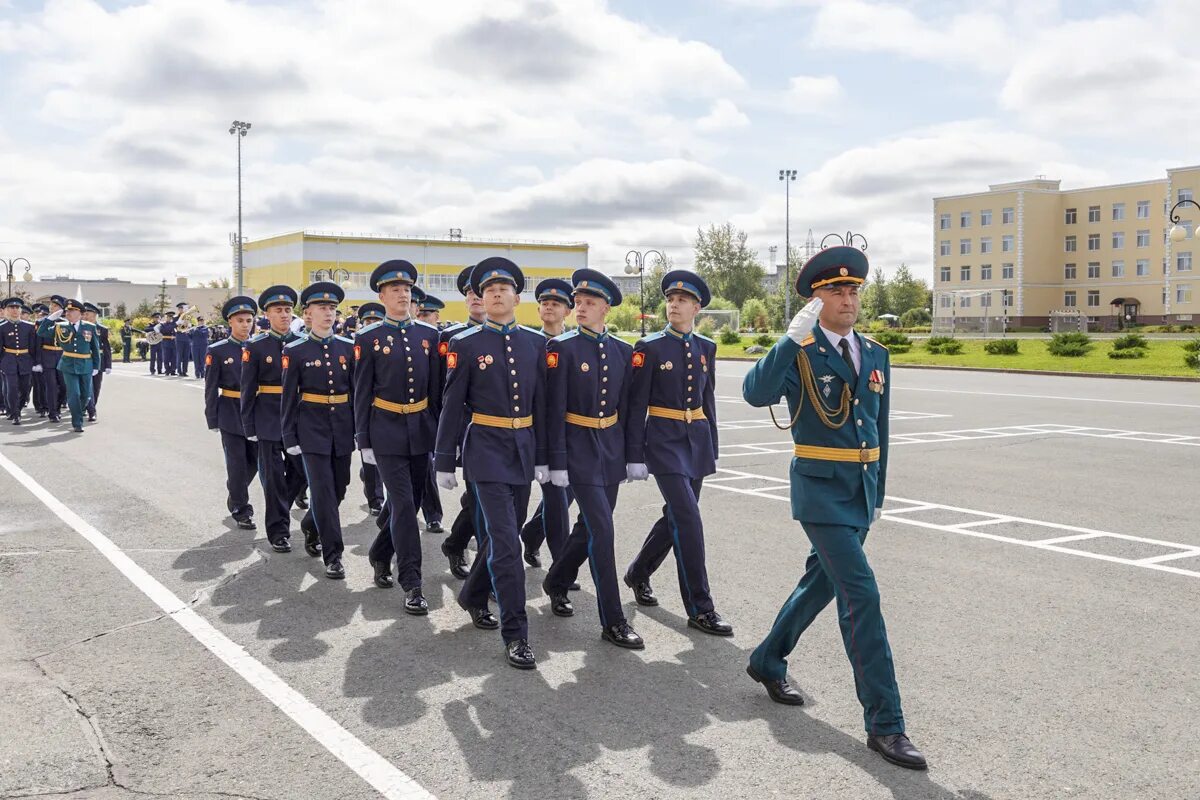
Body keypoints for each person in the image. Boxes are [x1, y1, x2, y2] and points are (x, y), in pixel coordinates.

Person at [742, 242, 925, 770]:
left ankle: (767, 659)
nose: (847, 299)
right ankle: (886, 725)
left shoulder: (875, 353)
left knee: (822, 582)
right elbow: (756, 394)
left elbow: (880, 429)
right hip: (820, 491)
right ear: (814, 300)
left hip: (861, 491)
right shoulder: (800, 350)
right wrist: (789, 337)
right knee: (861, 595)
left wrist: (880, 491)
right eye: (835, 291)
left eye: (852, 290)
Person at [434, 257, 547, 670]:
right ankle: (516, 634)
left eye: (505, 288)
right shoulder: (465, 345)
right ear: (481, 298)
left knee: (507, 534)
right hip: (484, 451)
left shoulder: (537, 344)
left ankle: (472, 594)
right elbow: (451, 406)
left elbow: (544, 408)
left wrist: (549, 460)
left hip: (523, 450)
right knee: (505, 543)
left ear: (518, 297)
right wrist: (444, 459)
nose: (497, 294)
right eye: (489, 289)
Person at [623, 270, 732, 637]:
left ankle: (639, 572)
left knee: (676, 517)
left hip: (696, 439)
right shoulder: (649, 347)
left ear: (696, 307)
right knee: (688, 518)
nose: (674, 304)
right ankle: (701, 607)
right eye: (670, 299)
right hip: (664, 442)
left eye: (682, 300)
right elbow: (637, 404)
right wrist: (634, 453)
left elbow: (708, 399)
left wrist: (712, 444)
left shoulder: (706, 348)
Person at [541, 270, 644, 649]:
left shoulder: (622, 351)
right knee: (602, 530)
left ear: (605, 308)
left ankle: (556, 580)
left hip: (610, 450)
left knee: (588, 527)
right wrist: (556, 462)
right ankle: (613, 620)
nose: (580, 308)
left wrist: (633, 455)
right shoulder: (561, 349)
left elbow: (630, 409)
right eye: (578, 302)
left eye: (588, 303)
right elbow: (553, 411)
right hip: (577, 449)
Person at [357, 263, 441, 614]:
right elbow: (361, 393)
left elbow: (436, 392)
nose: (402, 294)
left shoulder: (429, 336)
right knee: (404, 505)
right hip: (386, 431)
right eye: (394, 289)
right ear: (382, 296)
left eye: (406, 288)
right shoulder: (368, 338)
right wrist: (363, 441)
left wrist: (439, 435)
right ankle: (412, 582)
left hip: (420, 430)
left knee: (413, 501)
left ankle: (379, 552)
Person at [282, 282, 356, 579]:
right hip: (311, 428)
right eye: (321, 308)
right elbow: (288, 396)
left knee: (339, 489)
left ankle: (311, 525)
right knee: (323, 492)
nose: (328, 313)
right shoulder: (295, 349)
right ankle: (333, 555)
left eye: (332, 308)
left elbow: (356, 393)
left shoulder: (348, 348)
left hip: (342, 427)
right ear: (308, 314)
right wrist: (289, 435)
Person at [241, 286, 307, 553]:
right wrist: (249, 425)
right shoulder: (255, 346)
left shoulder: (303, 343)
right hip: (268, 418)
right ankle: (278, 532)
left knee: (302, 473)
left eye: (288, 310)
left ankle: (283, 506)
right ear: (267, 314)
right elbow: (247, 389)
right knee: (273, 479)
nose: (284, 315)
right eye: (278, 310)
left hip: (299, 419)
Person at [520, 278, 575, 569]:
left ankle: (531, 534)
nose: (549, 306)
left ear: (568, 311)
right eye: (544, 302)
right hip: (536, 433)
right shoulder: (529, 343)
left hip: (572, 432)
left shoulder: (575, 344)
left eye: (556, 303)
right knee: (556, 496)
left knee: (566, 495)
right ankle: (561, 568)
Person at [436, 265, 487, 579]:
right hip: (468, 432)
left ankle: (455, 543)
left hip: (505, 433)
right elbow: (444, 394)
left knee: (479, 499)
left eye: (481, 292)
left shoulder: (516, 337)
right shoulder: (452, 338)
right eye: (471, 293)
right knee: (481, 500)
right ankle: (488, 571)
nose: (477, 298)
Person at [204, 297, 259, 531]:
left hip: (256, 412)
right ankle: (241, 509)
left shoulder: (259, 347)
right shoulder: (218, 351)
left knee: (256, 461)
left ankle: (235, 491)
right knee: (236, 463)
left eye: (249, 320)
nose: (245, 325)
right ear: (230, 322)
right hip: (230, 411)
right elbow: (210, 387)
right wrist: (212, 418)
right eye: (240, 320)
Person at [37, 298, 101, 433]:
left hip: (85, 364)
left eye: (72, 310)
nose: (68, 313)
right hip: (68, 365)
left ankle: (79, 411)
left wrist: (96, 366)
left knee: (85, 395)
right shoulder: (60, 327)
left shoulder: (90, 327)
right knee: (74, 394)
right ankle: (77, 422)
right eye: (67, 311)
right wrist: (49, 319)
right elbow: (41, 332)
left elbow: (95, 348)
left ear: (80, 313)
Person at [0, 297, 38, 425]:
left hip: (25, 360)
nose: (15, 310)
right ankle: (15, 413)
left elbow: (33, 347)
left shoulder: (29, 327)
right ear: (6, 310)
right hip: (9, 361)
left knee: (25, 388)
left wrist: (35, 362)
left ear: (20, 310)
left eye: (17, 308)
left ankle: (18, 408)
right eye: (11, 308)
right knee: (12, 388)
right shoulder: (2, 327)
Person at [82, 303, 112, 422]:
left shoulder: (103, 329)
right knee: (85, 386)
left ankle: (92, 408)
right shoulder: (82, 328)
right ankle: (89, 409)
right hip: (85, 359)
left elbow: (107, 348)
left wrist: (108, 365)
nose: (85, 316)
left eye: (87, 314)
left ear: (94, 315)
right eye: (84, 314)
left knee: (96, 387)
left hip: (98, 361)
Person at [158, 310, 178, 376]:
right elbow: (165, 330)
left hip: (174, 343)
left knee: (174, 357)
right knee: (166, 358)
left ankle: (173, 370)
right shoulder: (163, 324)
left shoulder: (175, 325)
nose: (170, 318)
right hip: (166, 343)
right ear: (167, 317)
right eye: (169, 317)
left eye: (172, 317)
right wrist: (174, 324)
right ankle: (167, 370)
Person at [175, 303, 192, 377]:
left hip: (187, 338)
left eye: (183, 308)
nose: (182, 310)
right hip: (179, 338)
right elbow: (175, 327)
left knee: (186, 356)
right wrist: (182, 323)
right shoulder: (176, 317)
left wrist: (188, 325)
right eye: (180, 308)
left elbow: (190, 326)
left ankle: (185, 371)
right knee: (179, 355)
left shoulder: (188, 317)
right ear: (178, 309)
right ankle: (179, 371)